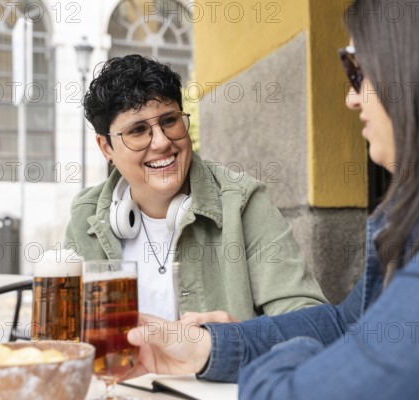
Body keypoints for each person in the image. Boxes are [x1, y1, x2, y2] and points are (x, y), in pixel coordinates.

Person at [125, 0, 419, 398]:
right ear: (105, 147)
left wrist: (309, 357)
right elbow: (349, 321)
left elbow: (293, 390)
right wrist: (210, 346)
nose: (350, 97)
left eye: (357, 67)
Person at [64, 55, 327, 322]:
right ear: (106, 147)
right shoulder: (85, 215)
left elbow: (309, 322)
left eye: (168, 121)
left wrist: (235, 339)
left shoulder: (242, 202)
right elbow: (66, 335)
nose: (161, 143)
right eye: (138, 130)